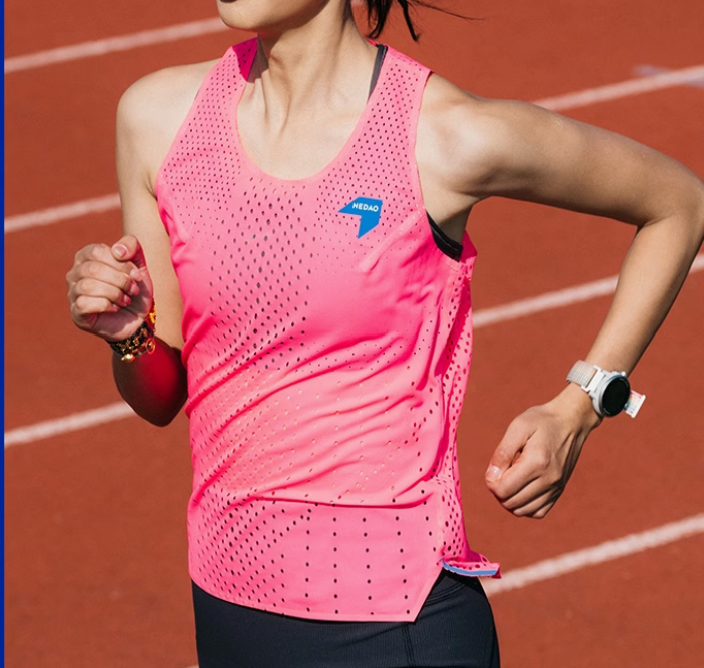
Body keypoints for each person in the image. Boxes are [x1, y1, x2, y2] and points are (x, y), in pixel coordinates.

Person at [65, 1, 704, 666]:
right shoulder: (159, 119)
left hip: (392, 621)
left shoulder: (441, 135)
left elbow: (679, 203)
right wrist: (129, 335)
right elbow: (163, 397)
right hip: (226, 600)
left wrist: (581, 404)